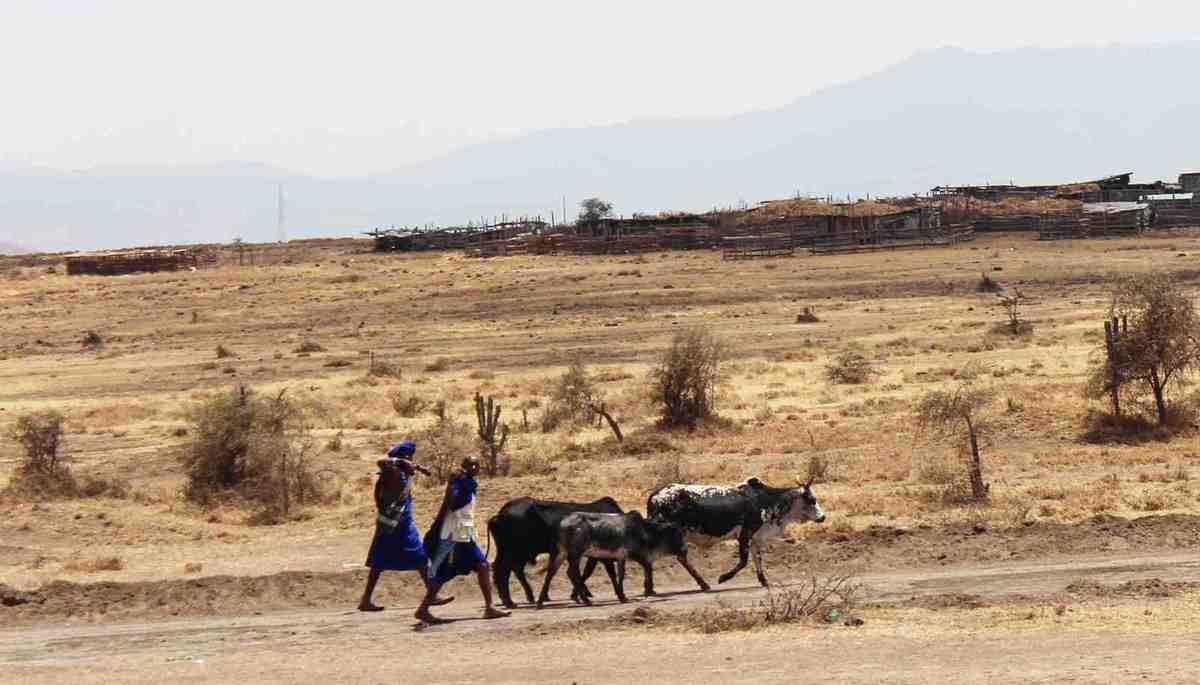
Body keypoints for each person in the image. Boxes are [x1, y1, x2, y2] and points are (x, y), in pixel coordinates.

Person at [357, 440, 453, 612]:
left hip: (392, 524)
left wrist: (413, 467)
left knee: (380, 562)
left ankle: (366, 599)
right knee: (420, 558)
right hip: (397, 525)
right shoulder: (392, 472)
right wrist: (400, 462)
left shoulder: (401, 473)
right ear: (404, 459)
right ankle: (432, 595)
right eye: (409, 458)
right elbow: (382, 462)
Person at [415, 456, 511, 624]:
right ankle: (423, 609)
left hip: (464, 533)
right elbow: (452, 502)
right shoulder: (459, 481)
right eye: (471, 464)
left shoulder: (468, 483)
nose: (475, 467)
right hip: (454, 535)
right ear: (464, 466)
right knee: (445, 572)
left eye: (477, 464)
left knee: (482, 566)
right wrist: (453, 484)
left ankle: (489, 607)